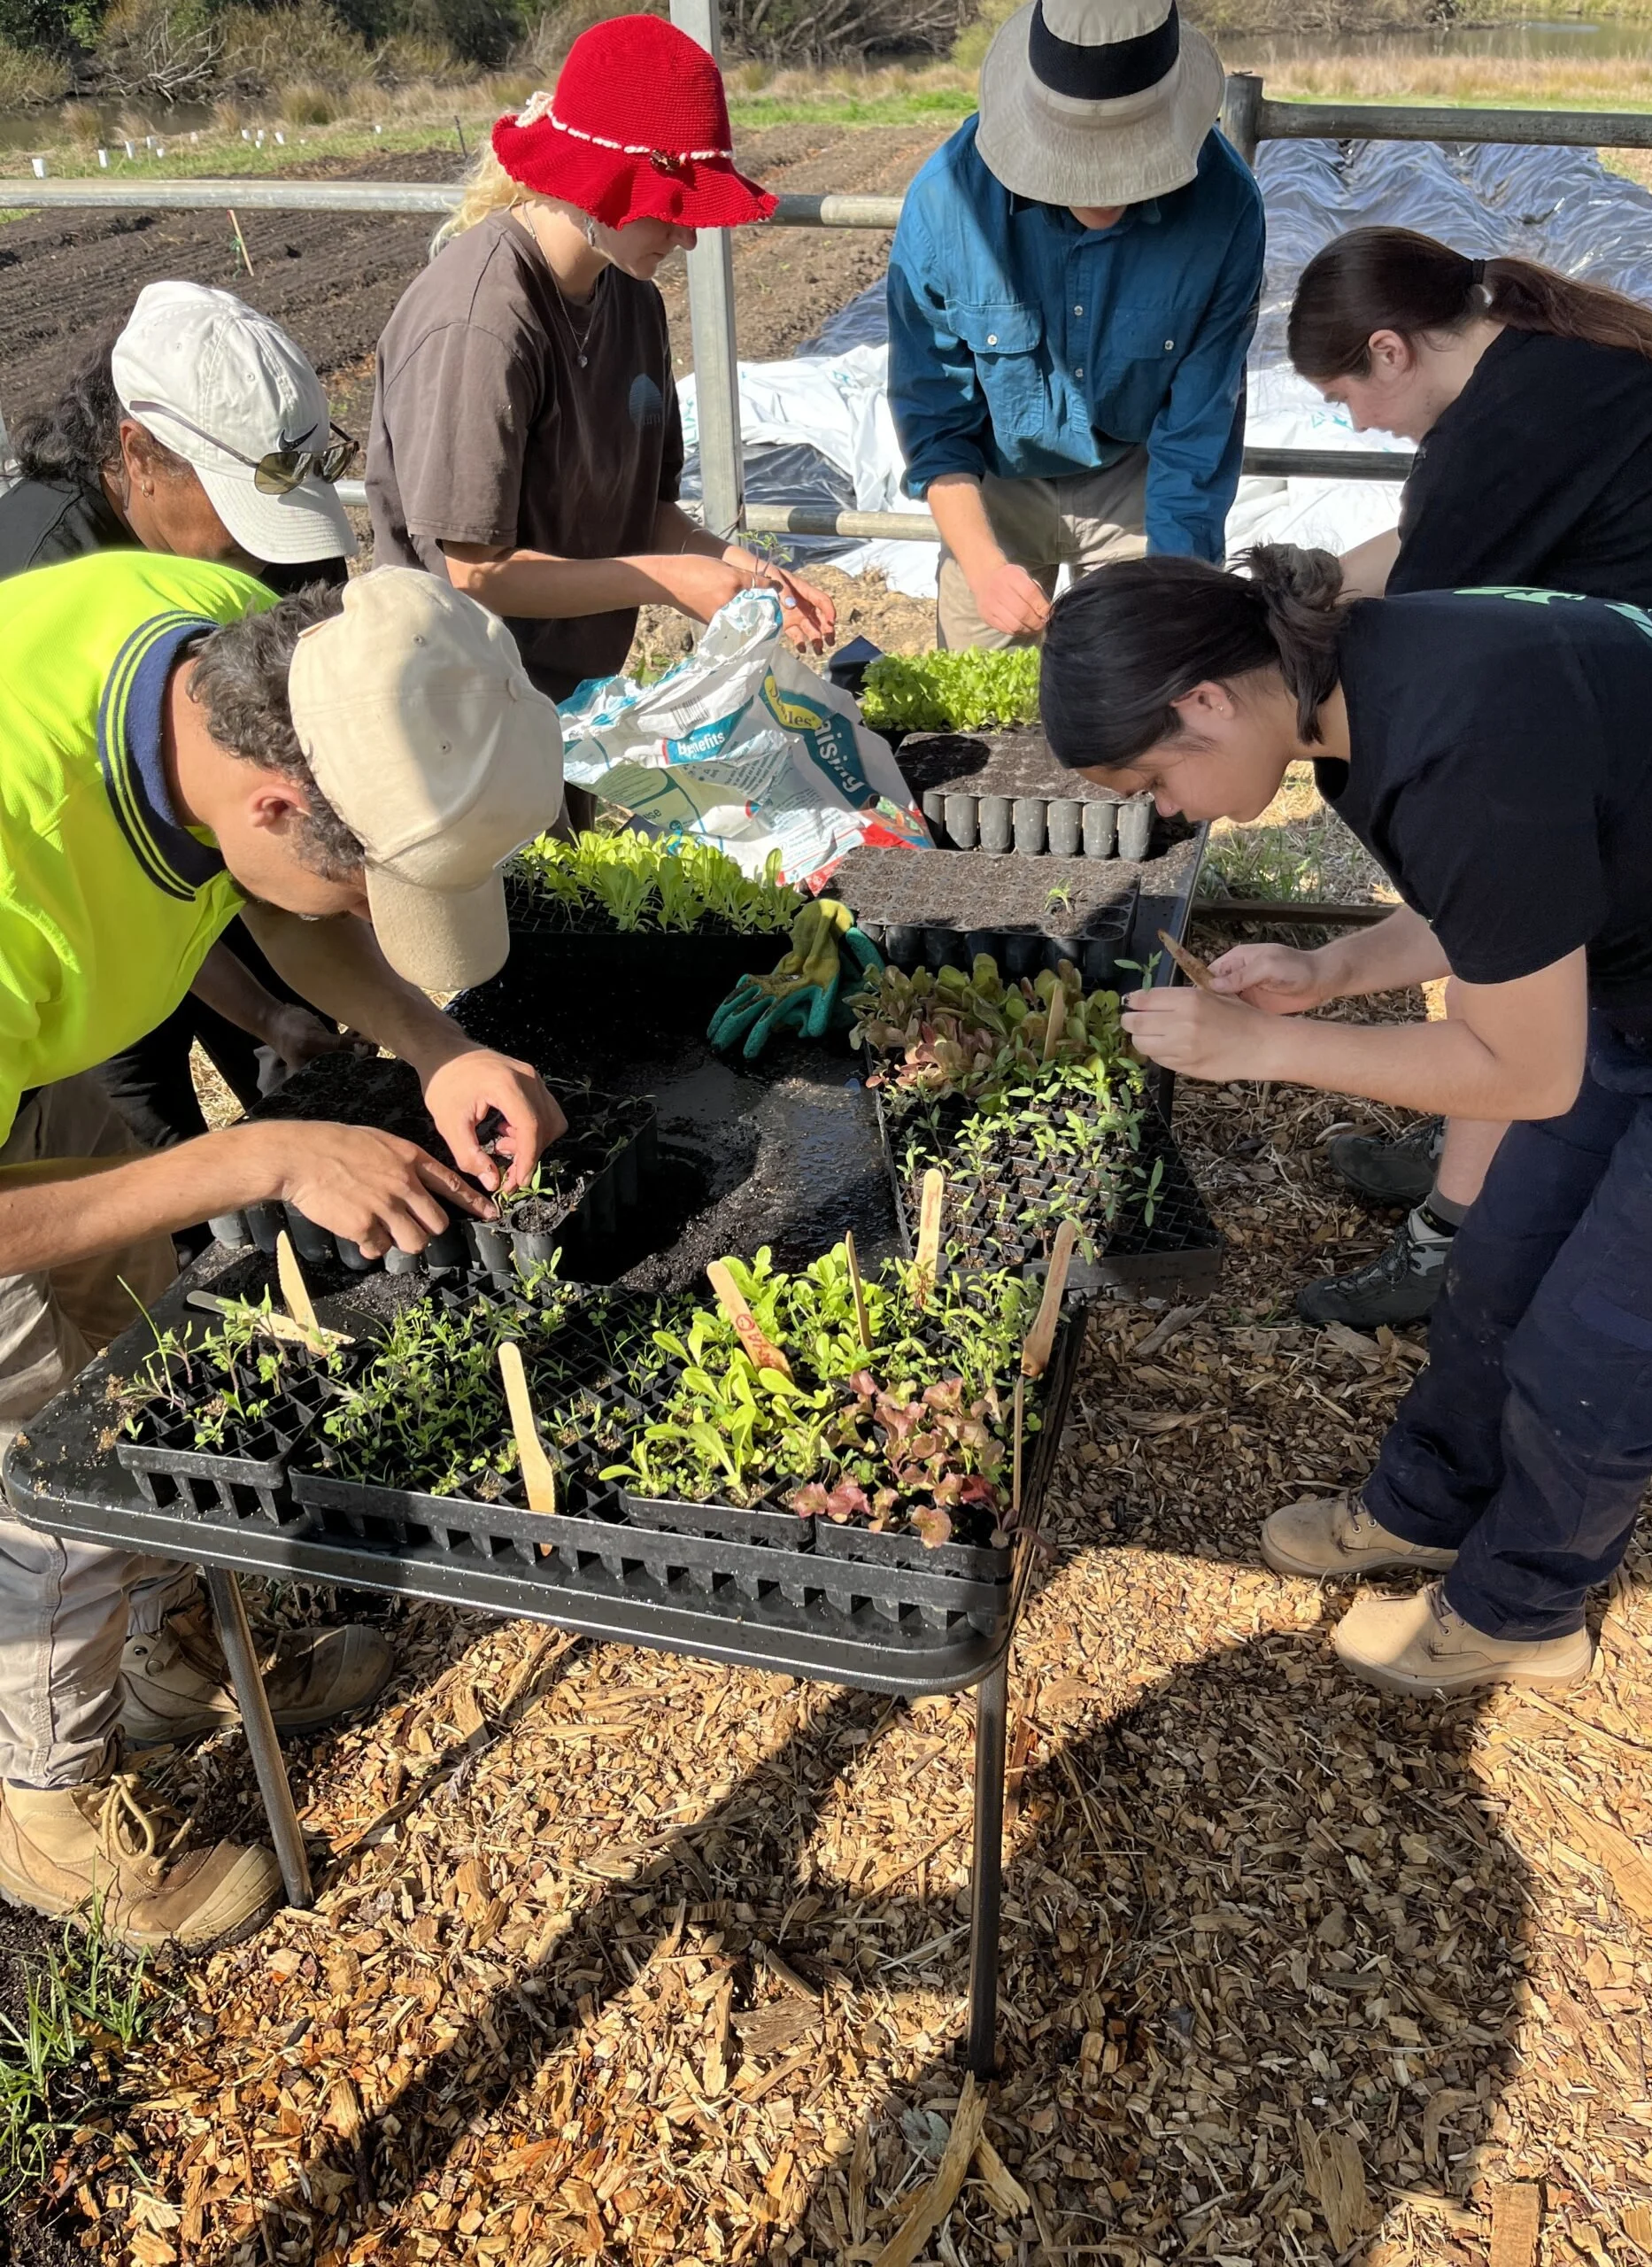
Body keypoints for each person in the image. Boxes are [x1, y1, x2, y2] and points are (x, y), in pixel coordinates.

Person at [0, 551, 565, 1945]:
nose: (372, 921)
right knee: (45, 1460)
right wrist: (252, 1154)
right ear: (277, 803)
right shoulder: (20, 869)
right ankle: (40, 1808)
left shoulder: (237, 656)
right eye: (370, 886)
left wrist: (435, 1044)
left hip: (31, 1044)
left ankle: (169, 1664)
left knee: (139, 1363)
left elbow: (268, 899)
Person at [1038, 545, 1652, 1697]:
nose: (1166, 812)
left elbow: (1527, 1075)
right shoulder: (1351, 684)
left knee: (1595, 1347)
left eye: (1153, 781)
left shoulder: (1458, 742)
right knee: (1497, 1260)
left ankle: (1522, 1610)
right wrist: (1332, 968)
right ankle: (1428, 1506)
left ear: (1205, 700)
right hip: (1647, 977)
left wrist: (1270, 1048)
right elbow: (1505, 895)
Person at [1285, 227, 1652, 1327]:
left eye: (1343, 399)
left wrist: (1277, 635)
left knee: (1498, 918)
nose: (1356, 424)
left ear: (1389, 350)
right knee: (1510, 926)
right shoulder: (1548, 356)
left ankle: (1449, 1231)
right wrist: (1281, 599)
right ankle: (1480, 1142)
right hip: (1641, 684)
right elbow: (1405, 554)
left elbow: (1418, 610)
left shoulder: (1503, 429)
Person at [365, 12, 836, 726]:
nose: (687, 235)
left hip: (567, 696)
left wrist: (744, 573)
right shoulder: (481, 320)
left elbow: (643, 514)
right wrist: (671, 580)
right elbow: (474, 570)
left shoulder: (631, 297)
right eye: (670, 209)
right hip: (459, 704)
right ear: (598, 187)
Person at [0, 283, 366, 1158]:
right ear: (138, 453)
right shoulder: (31, 569)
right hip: (86, 930)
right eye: (243, 534)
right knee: (150, 1114)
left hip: (231, 855)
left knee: (300, 1070)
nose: (263, 567)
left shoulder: (250, 557)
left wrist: (283, 1011)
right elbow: (84, 873)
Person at [885, 0, 1262, 651]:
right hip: (994, 482)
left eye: (1127, 162)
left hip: (1138, 478)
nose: (1102, 188)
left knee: (1146, 680)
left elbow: (1196, 435)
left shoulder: (1224, 211)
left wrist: (1171, 599)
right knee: (975, 698)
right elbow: (937, 419)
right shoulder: (948, 203)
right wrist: (983, 567)